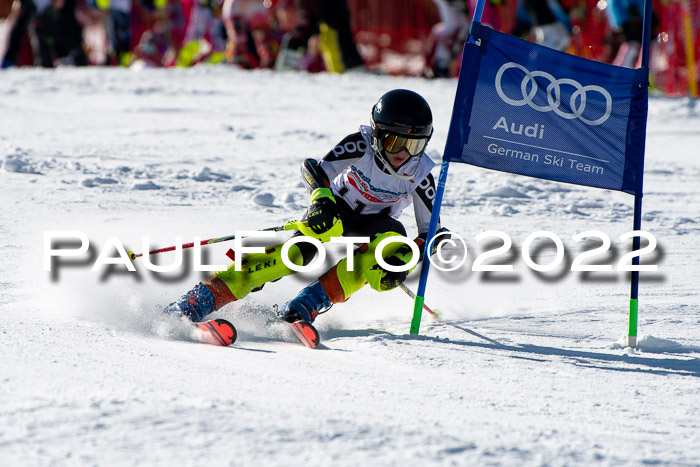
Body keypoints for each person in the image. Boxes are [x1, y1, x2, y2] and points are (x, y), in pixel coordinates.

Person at [164, 89, 447, 326]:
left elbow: (435, 233)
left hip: (375, 227)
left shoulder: (420, 175)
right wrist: (321, 199)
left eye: (414, 144)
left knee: (391, 242)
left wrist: (405, 258)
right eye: (395, 142)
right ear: (376, 135)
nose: (403, 154)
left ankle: (305, 305)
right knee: (300, 252)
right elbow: (313, 167)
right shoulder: (360, 145)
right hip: (335, 210)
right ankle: (205, 296)